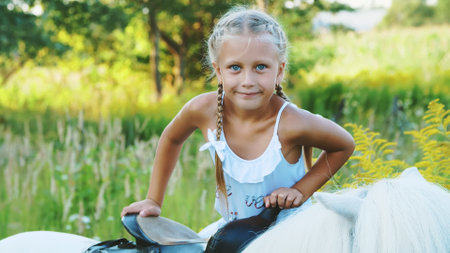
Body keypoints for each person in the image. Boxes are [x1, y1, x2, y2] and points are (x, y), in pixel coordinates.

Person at [121, 6, 355, 239]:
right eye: (235, 68)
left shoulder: (292, 122)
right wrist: (153, 199)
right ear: (219, 71)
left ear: (280, 70)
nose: (248, 80)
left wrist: (300, 191)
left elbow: (344, 145)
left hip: (291, 235)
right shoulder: (202, 110)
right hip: (234, 233)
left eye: (260, 67)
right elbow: (171, 138)